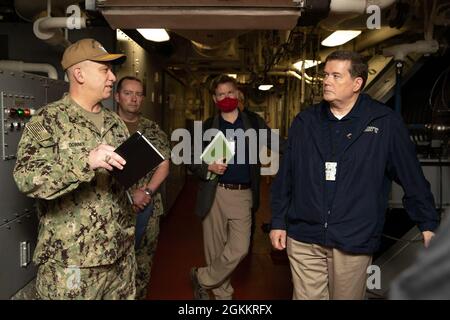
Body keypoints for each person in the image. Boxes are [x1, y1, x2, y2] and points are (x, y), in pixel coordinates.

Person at [270, 50, 439, 300]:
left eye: (336, 76)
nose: (326, 81)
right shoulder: (305, 122)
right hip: (305, 235)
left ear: (357, 83)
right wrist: (278, 222)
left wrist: (427, 224)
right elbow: (287, 176)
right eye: (326, 75)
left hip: (353, 238)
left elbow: (410, 175)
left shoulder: (384, 123)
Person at [13, 38, 135, 300]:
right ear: (79, 74)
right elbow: (26, 178)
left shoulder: (115, 123)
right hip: (72, 262)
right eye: (105, 70)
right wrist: (85, 162)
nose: (113, 77)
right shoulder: (48, 120)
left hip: (119, 258)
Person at [188, 74, 277, 300]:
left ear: (238, 93)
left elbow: (278, 144)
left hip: (243, 193)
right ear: (214, 99)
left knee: (240, 248)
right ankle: (223, 297)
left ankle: (201, 277)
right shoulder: (208, 126)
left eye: (230, 92)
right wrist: (208, 165)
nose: (226, 97)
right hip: (215, 192)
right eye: (221, 94)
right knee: (215, 249)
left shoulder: (253, 122)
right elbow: (190, 158)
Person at [115, 76, 171, 300]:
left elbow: (164, 165)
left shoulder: (152, 129)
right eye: (128, 93)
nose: (133, 98)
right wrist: (130, 195)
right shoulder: (105, 126)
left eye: (138, 94)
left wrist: (146, 192)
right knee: (114, 264)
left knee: (143, 264)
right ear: (117, 96)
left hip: (148, 208)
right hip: (114, 208)